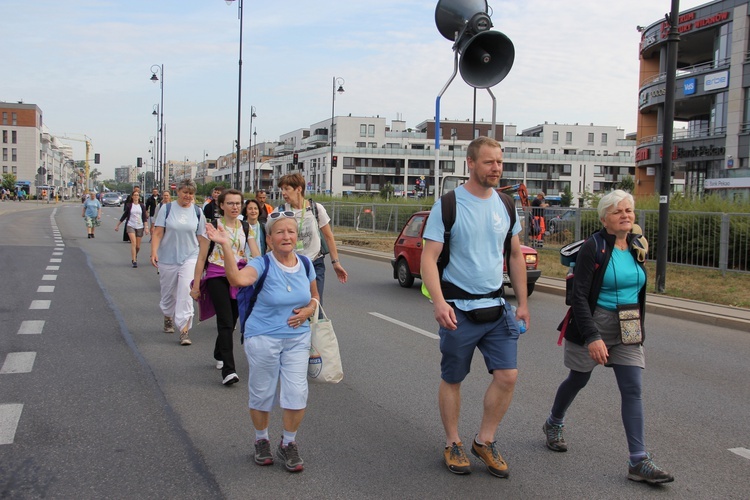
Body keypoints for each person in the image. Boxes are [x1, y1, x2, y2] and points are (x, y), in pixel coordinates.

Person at [543, 190, 673, 485]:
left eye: (629, 210)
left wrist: (639, 327)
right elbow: (578, 297)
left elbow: (638, 289)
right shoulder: (595, 247)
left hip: (628, 324)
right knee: (578, 378)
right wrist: (592, 337)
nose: (625, 215)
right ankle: (554, 422)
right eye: (618, 211)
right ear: (605, 218)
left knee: (633, 389)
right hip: (593, 321)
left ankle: (638, 460)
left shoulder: (638, 244)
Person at [421, 136, 530, 478]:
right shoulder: (449, 204)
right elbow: (429, 257)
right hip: (458, 308)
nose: (496, 168)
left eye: (499, 162)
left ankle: (485, 440)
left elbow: (514, 254)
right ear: (470, 163)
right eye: (489, 162)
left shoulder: (506, 205)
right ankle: (453, 442)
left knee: (508, 375)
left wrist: (523, 303)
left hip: (497, 307)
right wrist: (438, 302)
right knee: (453, 378)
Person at [206, 211, 318, 473]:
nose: (286, 236)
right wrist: (224, 244)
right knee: (263, 390)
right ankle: (261, 440)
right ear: (269, 239)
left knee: (297, 392)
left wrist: (310, 308)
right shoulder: (261, 264)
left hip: (297, 338)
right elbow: (236, 280)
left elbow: (314, 296)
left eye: (290, 231)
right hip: (263, 337)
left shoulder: (305, 263)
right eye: (280, 232)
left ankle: (288, 443)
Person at [191, 189, 260, 386]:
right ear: (221, 205)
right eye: (230, 203)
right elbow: (202, 258)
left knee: (233, 318)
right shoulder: (212, 227)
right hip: (216, 275)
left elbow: (256, 254)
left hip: (237, 275)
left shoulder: (246, 227)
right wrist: (196, 286)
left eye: (238, 203)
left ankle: (219, 351)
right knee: (226, 321)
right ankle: (229, 370)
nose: (235, 207)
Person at [150, 179, 208, 346]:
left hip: (190, 256)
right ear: (178, 192)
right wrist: (154, 251)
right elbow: (158, 232)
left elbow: (201, 238)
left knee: (185, 291)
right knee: (168, 295)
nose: (188, 196)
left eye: (191, 193)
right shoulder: (167, 209)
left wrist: (204, 259)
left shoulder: (198, 211)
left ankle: (184, 330)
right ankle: (168, 315)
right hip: (168, 257)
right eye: (185, 192)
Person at [276, 173, 347, 301]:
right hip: (290, 265)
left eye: (287, 189)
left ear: (299, 189)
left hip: (315, 263)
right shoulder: (280, 211)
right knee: (294, 305)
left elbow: (328, 237)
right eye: (282, 189)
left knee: (315, 305)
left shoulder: (316, 208)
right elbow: (272, 240)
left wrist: (336, 263)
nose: (283, 193)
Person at [116, 191, 149, 268]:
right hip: (131, 225)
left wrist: (146, 228)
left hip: (140, 226)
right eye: (135, 195)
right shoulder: (129, 205)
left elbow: (144, 217)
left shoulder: (142, 206)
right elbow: (124, 215)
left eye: (137, 195)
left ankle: (135, 255)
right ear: (132, 197)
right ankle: (134, 260)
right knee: (133, 243)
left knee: (138, 246)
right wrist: (118, 225)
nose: (136, 196)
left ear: (139, 197)